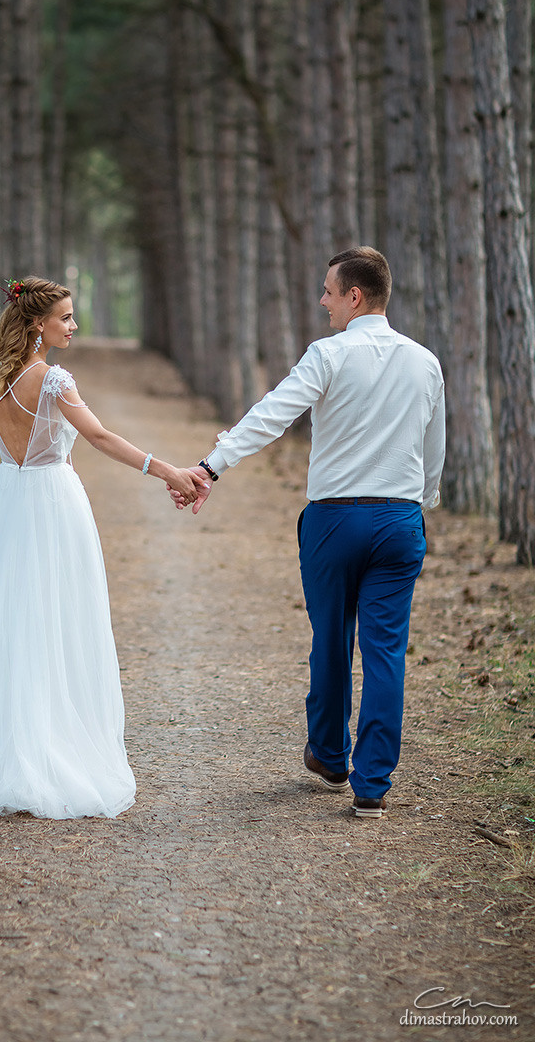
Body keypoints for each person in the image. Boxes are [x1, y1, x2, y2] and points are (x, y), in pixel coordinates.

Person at [0, 276, 204, 819]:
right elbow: (100, 437)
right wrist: (168, 471)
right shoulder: (53, 380)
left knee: (5, 620)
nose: (73, 325)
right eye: (66, 317)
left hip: (7, 502)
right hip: (54, 503)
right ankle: (47, 748)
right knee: (56, 618)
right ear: (38, 323)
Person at [175, 248, 445, 818]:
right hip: (400, 520)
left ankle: (329, 753)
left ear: (355, 296)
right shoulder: (425, 362)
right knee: (386, 650)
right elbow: (433, 446)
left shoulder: (329, 354)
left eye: (328, 291)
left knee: (331, 637)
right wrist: (420, 505)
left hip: (335, 519)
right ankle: (372, 785)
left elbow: (274, 414)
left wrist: (212, 465)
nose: (321, 301)